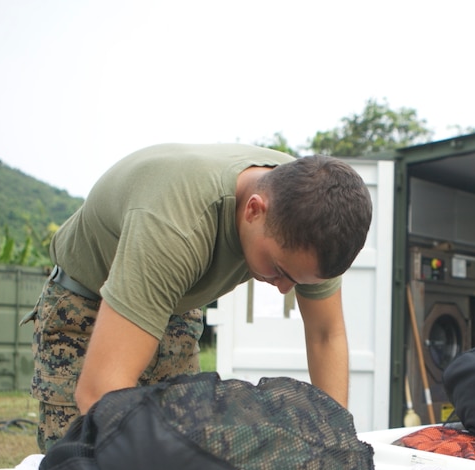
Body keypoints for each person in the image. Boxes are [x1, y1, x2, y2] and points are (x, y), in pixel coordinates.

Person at [26, 143, 373, 453]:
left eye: (298, 281)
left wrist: (335, 444)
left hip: (175, 308)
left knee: (181, 442)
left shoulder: (316, 214)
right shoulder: (174, 227)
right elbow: (101, 391)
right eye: (279, 269)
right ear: (254, 210)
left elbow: (326, 335)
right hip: (88, 305)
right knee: (84, 457)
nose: (285, 288)